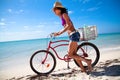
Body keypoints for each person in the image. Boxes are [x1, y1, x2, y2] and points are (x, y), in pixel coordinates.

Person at [52, 2, 92, 72]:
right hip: (72, 35)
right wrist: (58, 33)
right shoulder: (62, 16)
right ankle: (83, 69)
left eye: (55, 9)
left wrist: (60, 33)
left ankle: (87, 61)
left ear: (59, 9)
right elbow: (66, 26)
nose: (54, 11)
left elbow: (69, 25)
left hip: (74, 35)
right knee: (74, 54)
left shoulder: (64, 14)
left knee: (70, 55)